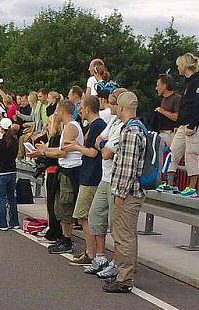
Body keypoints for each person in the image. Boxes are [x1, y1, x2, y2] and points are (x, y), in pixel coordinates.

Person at [103, 91, 146, 293]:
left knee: (123, 236)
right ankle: (127, 273)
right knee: (128, 235)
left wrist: (119, 195)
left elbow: (127, 169)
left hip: (127, 193)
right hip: (135, 191)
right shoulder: (140, 128)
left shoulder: (130, 132)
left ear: (121, 108)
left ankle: (124, 278)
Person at [30, 100, 83, 254]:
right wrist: (45, 150)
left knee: (65, 207)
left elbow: (63, 152)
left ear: (62, 111)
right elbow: (60, 149)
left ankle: (67, 239)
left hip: (70, 170)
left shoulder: (71, 127)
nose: (55, 115)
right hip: (64, 169)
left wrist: (44, 152)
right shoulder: (68, 127)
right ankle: (63, 237)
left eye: (56, 111)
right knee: (59, 206)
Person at [86, 88, 127, 278]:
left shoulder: (124, 126)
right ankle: (100, 257)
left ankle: (117, 263)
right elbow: (97, 141)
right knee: (95, 216)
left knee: (116, 224)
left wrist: (103, 144)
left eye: (112, 103)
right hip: (105, 177)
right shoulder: (112, 121)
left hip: (116, 179)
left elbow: (106, 152)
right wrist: (104, 144)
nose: (108, 106)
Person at [70, 95, 106, 265]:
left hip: (92, 176)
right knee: (85, 216)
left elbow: (93, 152)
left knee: (84, 215)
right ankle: (91, 251)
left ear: (88, 108)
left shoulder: (98, 125)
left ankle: (91, 252)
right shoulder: (92, 125)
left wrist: (75, 147)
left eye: (81, 107)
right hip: (88, 174)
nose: (79, 110)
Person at [170, 53, 199, 198]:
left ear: (185, 66)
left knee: (191, 153)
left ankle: (191, 187)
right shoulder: (188, 82)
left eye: (179, 65)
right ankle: (169, 182)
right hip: (183, 124)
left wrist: (192, 124)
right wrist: (179, 124)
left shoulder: (198, 82)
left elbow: (198, 105)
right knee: (173, 151)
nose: (178, 68)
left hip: (193, 125)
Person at [153, 74, 183, 192]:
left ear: (164, 86)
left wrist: (161, 111)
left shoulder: (176, 98)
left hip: (171, 134)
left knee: (167, 157)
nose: (156, 88)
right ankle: (162, 180)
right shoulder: (164, 99)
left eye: (158, 85)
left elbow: (177, 117)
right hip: (163, 132)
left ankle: (167, 181)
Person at [0, 117, 20, 230]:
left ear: (1, 129)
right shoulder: (15, 142)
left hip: (2, 172)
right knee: (12, 197)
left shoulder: (0, 143)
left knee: (1, 198)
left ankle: (2, 223)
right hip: (12, 171)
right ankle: (14, 222)